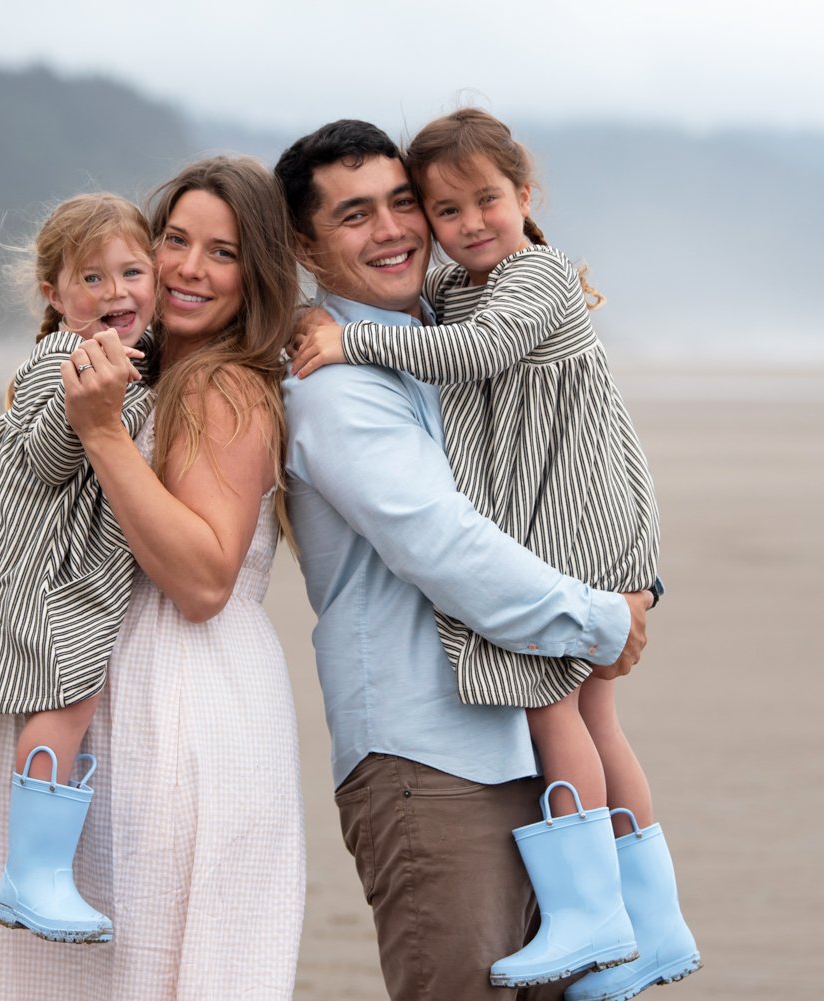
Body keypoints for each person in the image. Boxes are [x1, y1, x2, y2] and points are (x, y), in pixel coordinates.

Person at [289, 109, 700, 997]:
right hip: (433, 761)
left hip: (524, 751)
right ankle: (632, 917)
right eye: (356, 214)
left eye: (403, 202)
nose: (396, 227)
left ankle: (644, 918)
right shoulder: (337, 385)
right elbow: (444, 544)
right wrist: (597, 620)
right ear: (306, 244)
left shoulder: (449, 324)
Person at [0, 156, 305, 1001]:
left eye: (221, 253)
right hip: (88, 686)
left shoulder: (221, 388)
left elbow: (203, 580)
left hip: (180, 700)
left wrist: (105, 433)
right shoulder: (125, 370)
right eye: (175, 240)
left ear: (256, 272)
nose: (189, 267)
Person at [0, 192, 155, 944]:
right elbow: (44, 457)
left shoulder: (107, 360)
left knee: (73, 692)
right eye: (91, 279)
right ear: (55, 295)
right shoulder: (70, 361)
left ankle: (38, 870)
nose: (116, 292)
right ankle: (33, 871)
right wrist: (94, 412)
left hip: (43, 553)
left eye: (132, 271)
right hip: (40, 564)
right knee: (69, 692)